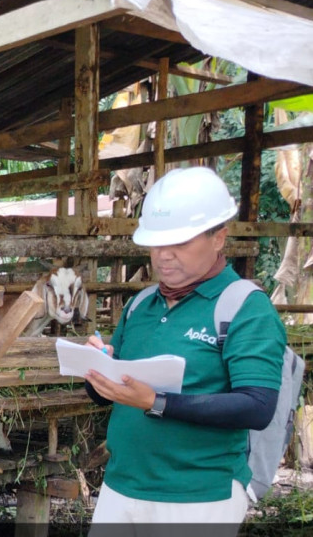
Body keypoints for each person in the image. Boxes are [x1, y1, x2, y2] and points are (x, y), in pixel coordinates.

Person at [85, 166, 285, 531]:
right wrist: (97, 370)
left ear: (218, 238)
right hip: (121, 487)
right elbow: (109, 396)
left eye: (181, 242)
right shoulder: (141, 305)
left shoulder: (244, 307)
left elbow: (257, 406)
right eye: (158, 243)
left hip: (198, 497)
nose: (164, 255)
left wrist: (156, 402)